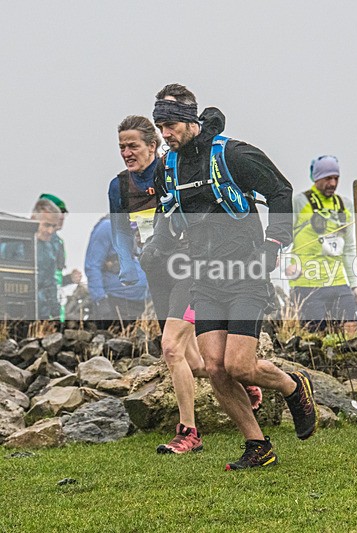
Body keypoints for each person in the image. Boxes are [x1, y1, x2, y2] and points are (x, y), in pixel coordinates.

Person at [146, 84, 317, 470]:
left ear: (190, 120)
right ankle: (258, 445)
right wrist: (157, 242)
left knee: (240, 365)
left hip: (246, 273)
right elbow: (165, 209)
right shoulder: (168, 165)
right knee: (215, 367)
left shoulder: (233, 154)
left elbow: (279, 191)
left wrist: (274, 244)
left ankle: (293, 386)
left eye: (170, 124)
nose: (165, 134)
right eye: (160, 126)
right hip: (204, 278)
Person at [111, 115, 230, 454]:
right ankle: (240, 381)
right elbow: (120, 230)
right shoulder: (119, 186)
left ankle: (189, 432)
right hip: (156, 274)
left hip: (188, 268)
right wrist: (126, 264)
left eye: (133, 145)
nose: (126, 152)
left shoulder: (172, 169)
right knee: (191, 363)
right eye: (121, 146)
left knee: (170, 348)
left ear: (153, 145)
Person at [288, 155, 357, 337]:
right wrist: (287, 264)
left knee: (352, 321)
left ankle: (350, 357)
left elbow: (349, 247)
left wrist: (354, 284)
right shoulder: (300, 202)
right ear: (317, 178)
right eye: (328, 178)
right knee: (316, 333)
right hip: (307, 280)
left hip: (337, 279)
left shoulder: (345, 205)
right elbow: (284, 235)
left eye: (336, 178)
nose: (333, 183)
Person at [85, 215, 148, 330]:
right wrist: (100, 300)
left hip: (138, 302)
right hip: (115, 302)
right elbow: (92, 266)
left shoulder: (138, 228)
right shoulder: (107, 227)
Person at [31, 198, 62, 320]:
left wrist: (56, 313)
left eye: (54, 226)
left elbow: (51, 282)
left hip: (43, 313)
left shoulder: (52, 246)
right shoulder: (13, 243)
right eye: (47, 225)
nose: (50, 231)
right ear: (34, 219)